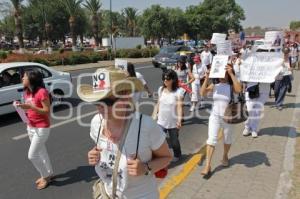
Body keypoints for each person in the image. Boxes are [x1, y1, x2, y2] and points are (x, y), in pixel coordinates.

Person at [78, 67, 172, 199]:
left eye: (107, 101)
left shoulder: (145, 126)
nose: (100, 107)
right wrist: (94, 155)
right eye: (96, 102)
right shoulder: (96, 123)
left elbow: (166, 157)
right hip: (107, 193)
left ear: (126, 97)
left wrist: (145, 168)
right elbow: (102, 149)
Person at [200, 64, 242, 177]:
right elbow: (202, 93)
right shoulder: (215, 85)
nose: (221, 75)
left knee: (227, 139)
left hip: (228, 117)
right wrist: (207, 77)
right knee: (211, 139)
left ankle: (225, 155)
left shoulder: (231, 86)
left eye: (224, 72)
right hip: (215, 116)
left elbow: (239, 89)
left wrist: (231, 73)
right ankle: (207, 165)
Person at [16, 70, 53, 190]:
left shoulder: (42, 92)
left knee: (32, 155)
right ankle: (49, 173)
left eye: (25, 77)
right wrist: (20, 107)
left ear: (31, 79)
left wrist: (30, 106)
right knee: (42, 152)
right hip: (30, 126)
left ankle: (45, 176)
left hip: (41, 127)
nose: (22, 78)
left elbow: (46, 111)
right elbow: (29, 110)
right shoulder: (27, 92)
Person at [154, 69, 183, 162]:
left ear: (173, 79)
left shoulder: (178, 91)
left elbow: (179, 107)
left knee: (174, 142)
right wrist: (154, 115)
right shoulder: (161, 89)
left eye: (167, 79)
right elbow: (158, 103)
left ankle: (177, 154)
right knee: (158, 140)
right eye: (164, 79)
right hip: (161, 121)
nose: (165, 81)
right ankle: (160, 156)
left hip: (173, 122)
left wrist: (179, 120)